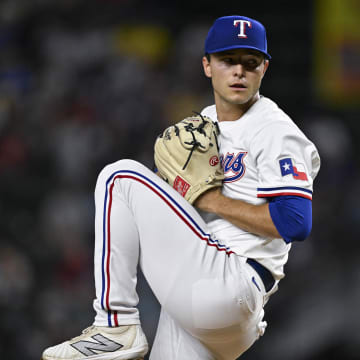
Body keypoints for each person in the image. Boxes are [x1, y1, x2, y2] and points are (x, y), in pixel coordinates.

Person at [41, 15, 320, 360]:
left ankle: (116, 325)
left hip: (233, 281)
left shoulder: (275, 130)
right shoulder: (205, 123)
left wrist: (211, 200)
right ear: (207, 65)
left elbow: (295, 221)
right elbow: (176, 201)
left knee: (120, 178)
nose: (238, 71)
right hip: (207, 295)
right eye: (227, 60)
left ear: (264, 68)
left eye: (250, 62)